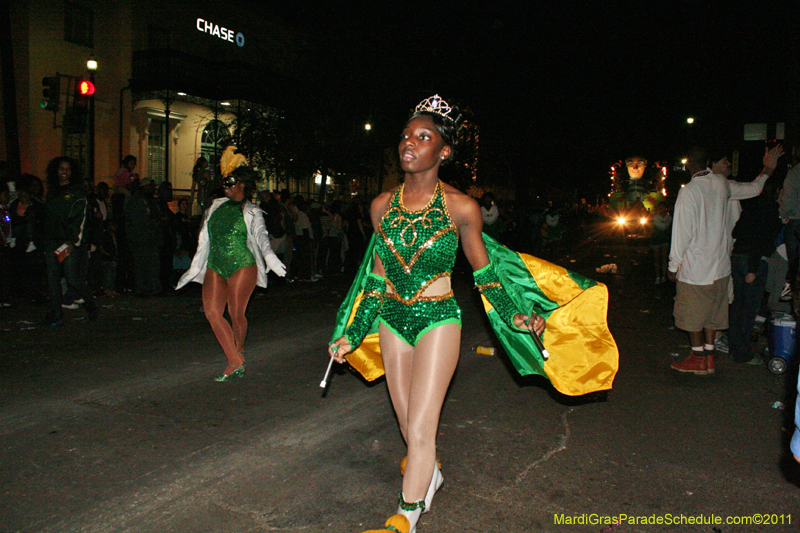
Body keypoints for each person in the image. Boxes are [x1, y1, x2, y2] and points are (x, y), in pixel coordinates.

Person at [327, 95, 618, 533]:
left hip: (438, 320)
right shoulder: (381, 205)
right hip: (391, 320)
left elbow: (485, 274)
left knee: (421, 428)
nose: (409, 143)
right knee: (407, 424)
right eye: (406, 135)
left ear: (444, 151)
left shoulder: (462, 207)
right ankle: (431, 474)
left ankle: (405, 516)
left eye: (423, 137)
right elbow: (375, 280)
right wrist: (352, 333)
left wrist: (515, 315)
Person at [668, 146, 783, 374]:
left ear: (689, 163)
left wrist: (673, 265)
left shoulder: (690, 191)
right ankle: (709, 357)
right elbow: (754, 188)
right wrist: (768, 169)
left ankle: (698, 358)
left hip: (697, 269)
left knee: (692, 316)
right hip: (721, 267)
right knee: (713, 315)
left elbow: (682, 233)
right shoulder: (721, 184)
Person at [176, 147, 286, 381]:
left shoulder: (252, 210)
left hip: (242, 264)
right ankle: (235, 361)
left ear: (242, 184)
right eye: (224, 181)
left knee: (236, 313)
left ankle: (238, 355)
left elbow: (261, 237)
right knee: (212, 313)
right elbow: (204, 239)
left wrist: (270, 257)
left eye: (230, 181)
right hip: (215, 264)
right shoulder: (215, 207)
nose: (225, 186)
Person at [41, 157, 98, 325]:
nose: (64, 172)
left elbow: (80, 219)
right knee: (52, 278)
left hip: (69, 242)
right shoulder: (52, 192)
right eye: (61, 168)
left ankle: (90, 302)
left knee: (72, 278)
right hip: (52, 240)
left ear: (73, 172)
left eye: (67, 169)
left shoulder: (77, 193)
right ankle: (56, 314)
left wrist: (73, 242)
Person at [649, 202, 672, 284]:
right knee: (657, 258)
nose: (661, 209)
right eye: (660, 207)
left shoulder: (669, 217)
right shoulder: (655, 216)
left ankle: (663, 276)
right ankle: (658, 276)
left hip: (665, 239)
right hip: (656, 239)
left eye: (663, 207)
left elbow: (666, 227)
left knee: (664, 257)